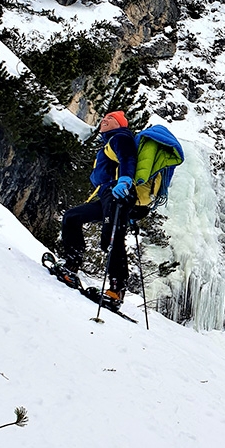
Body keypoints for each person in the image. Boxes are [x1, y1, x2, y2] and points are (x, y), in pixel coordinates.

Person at [58, 110, 137, 305]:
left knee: (111, 238)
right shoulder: (110, 142)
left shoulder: (121, 137)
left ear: (120, 125)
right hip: (108, 196)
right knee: (72, 217)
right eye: (104, 118)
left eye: (111, 119)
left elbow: (128, 158)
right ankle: (71, 264)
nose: (105, 120)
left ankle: (116, 290)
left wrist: (125, 180)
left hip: (118, 193)